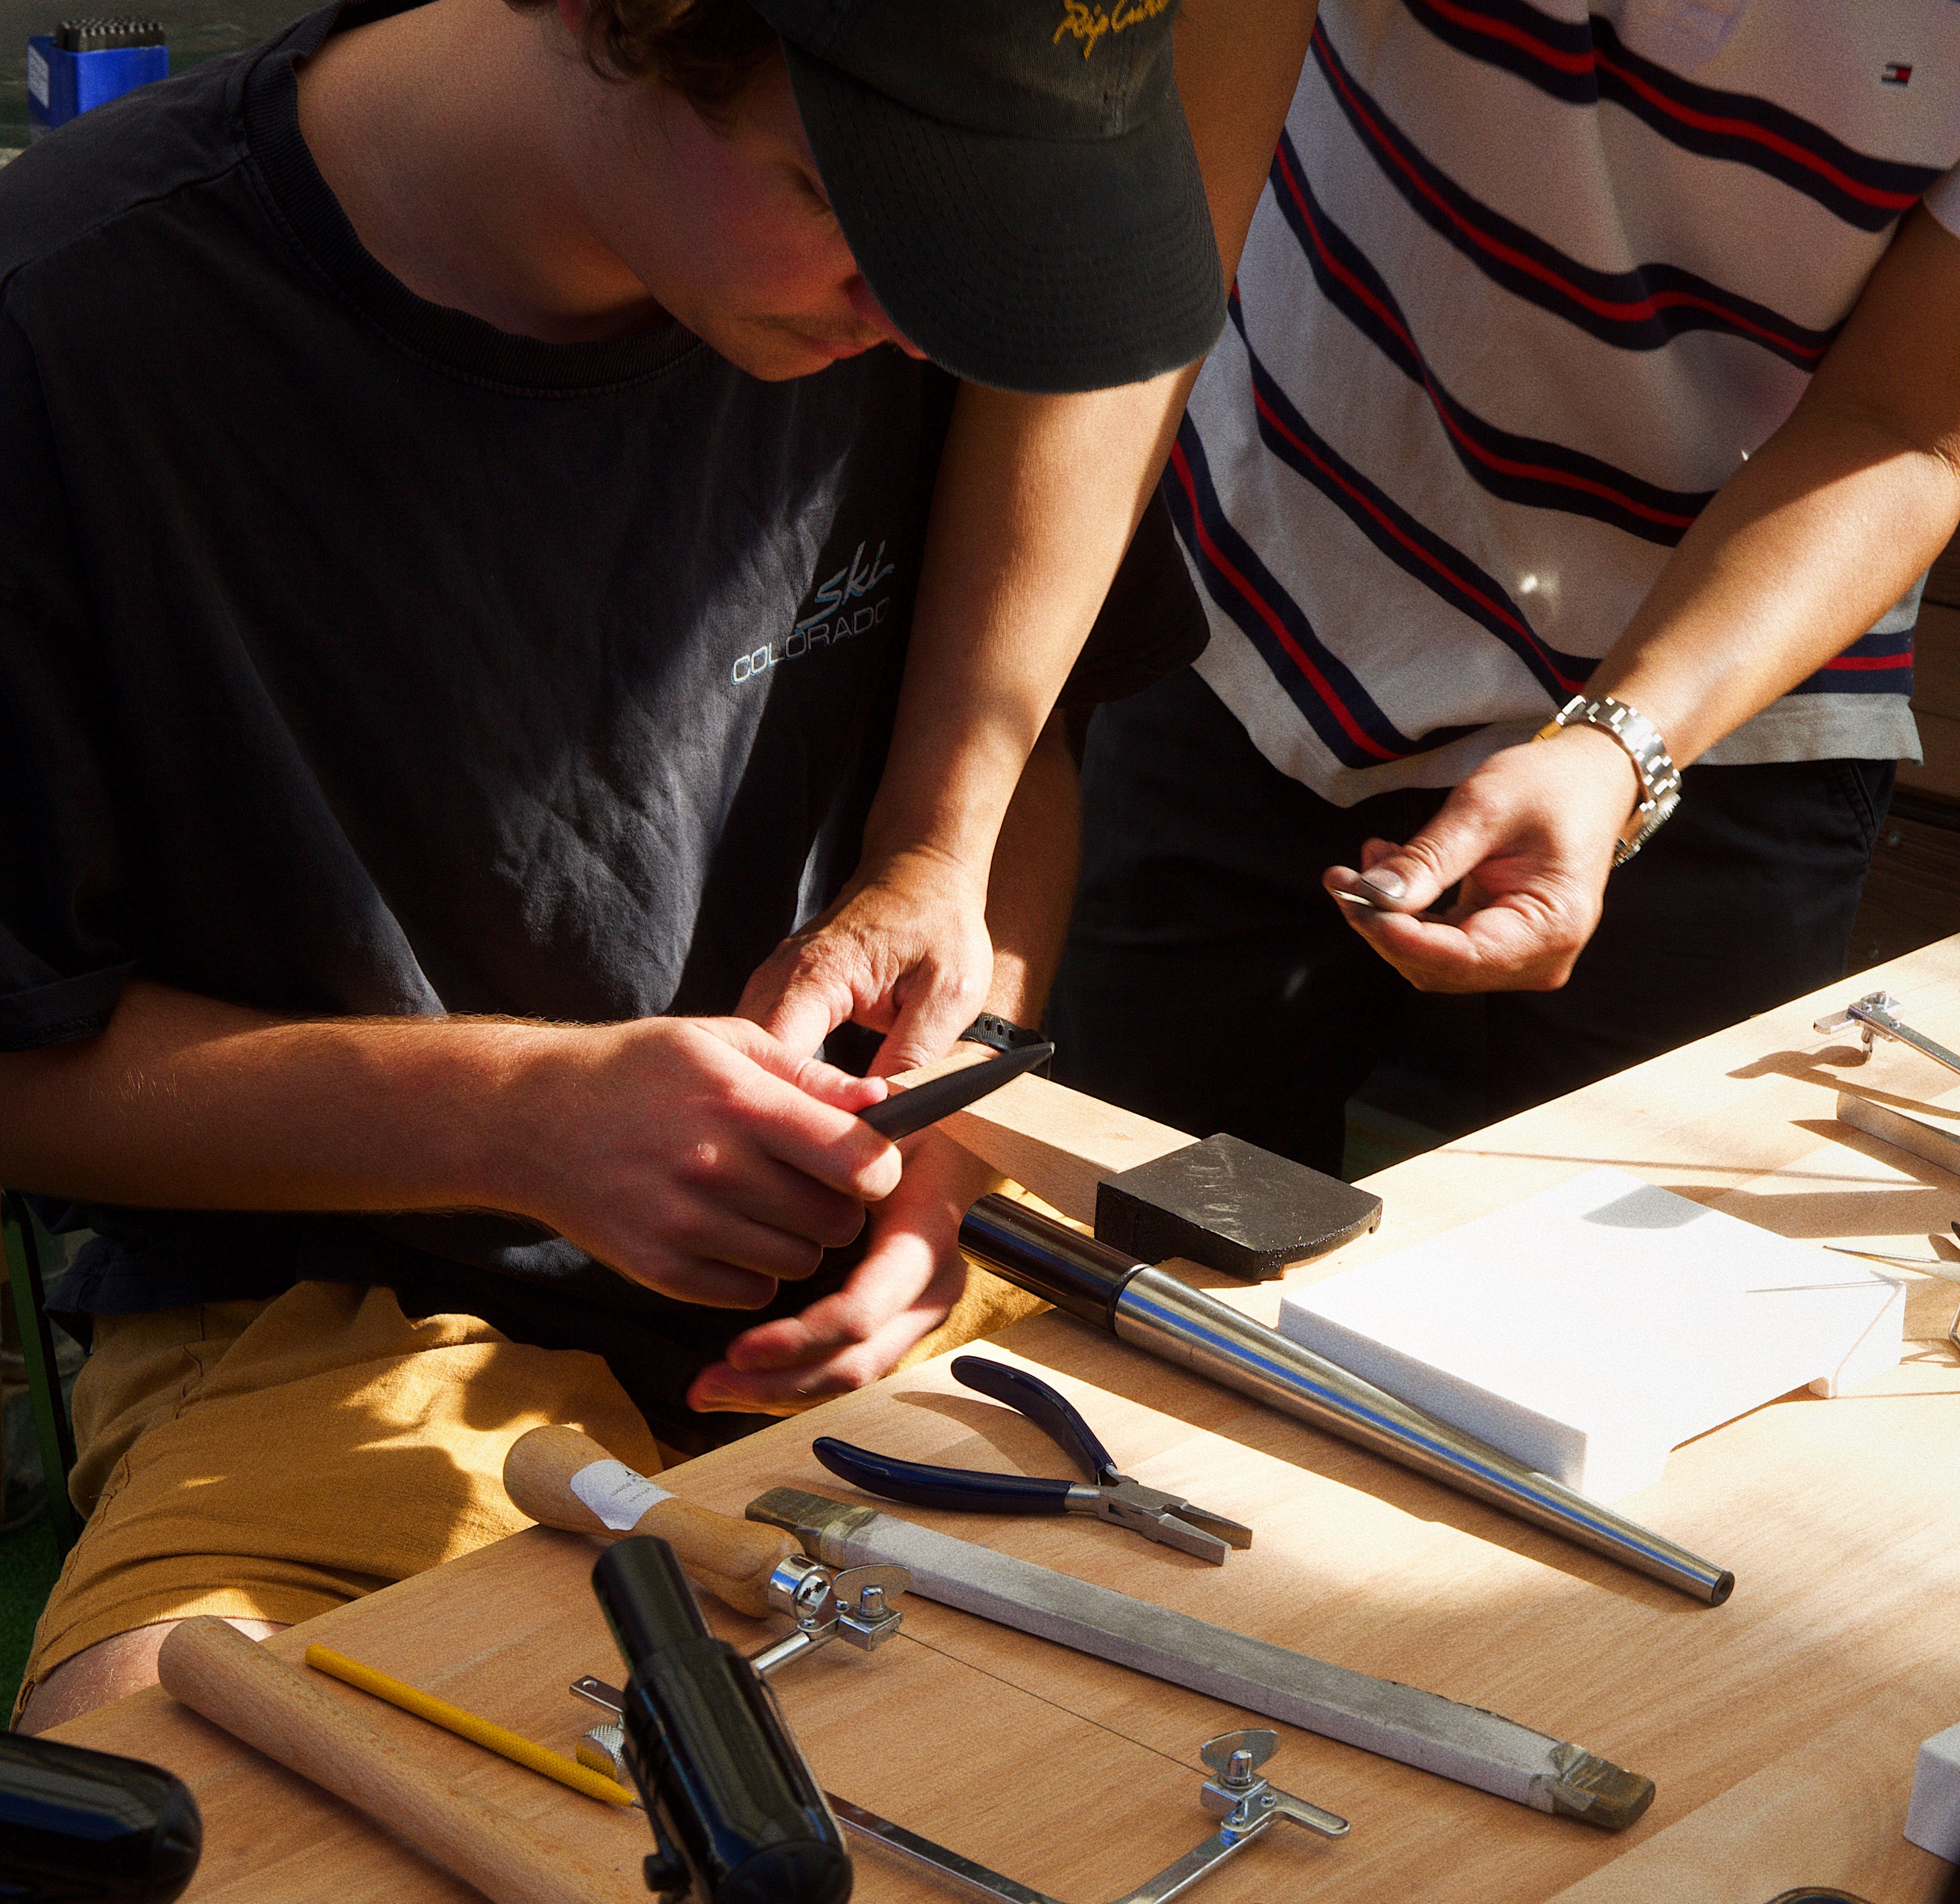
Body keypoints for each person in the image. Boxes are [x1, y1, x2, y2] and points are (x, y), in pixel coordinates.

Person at [0, 0, 1236, 1729]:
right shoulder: (68, 332)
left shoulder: (898, 272)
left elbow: (1031, 753)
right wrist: (519, 1120)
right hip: (334, 1318)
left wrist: (943, 1103)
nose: (908, 309)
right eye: (836, 199)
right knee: (186, 1831)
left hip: (887, 1291)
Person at [1050, 0, 1960, 1173]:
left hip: (1733, 688)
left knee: (1613, 1308)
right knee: (1136, 1220)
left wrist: (1616, 752)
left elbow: (1906, 430)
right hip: (1262, 580)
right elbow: (1162, 218)